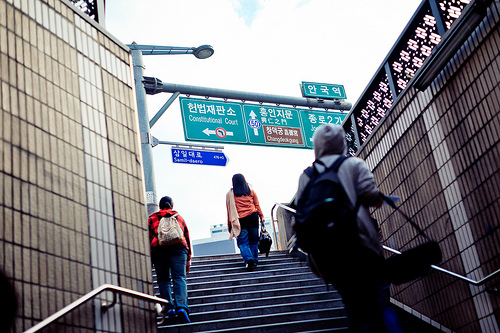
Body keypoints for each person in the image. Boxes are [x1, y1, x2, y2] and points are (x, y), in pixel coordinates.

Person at [294, 124, 388, 332]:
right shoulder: (353, 164)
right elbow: (370, 195)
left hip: (327, 256)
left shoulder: (307, 175)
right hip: (359, 245)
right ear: (342, 142)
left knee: (353, 305)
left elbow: (299, 214)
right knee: (370, 307)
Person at [148, 196, 192, 324]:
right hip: (179, 249)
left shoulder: (152, 218)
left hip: (159, 250)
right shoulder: (178, 217)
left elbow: (148, 238)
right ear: (171, 206)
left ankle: (169, 308)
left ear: (160, 206)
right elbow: (186, 237)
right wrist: (188, 259)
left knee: (163, 280)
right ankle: (182, 307)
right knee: (179, 277)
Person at [226, 174, 265, 271]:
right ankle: (254, 260)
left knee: (243, 242)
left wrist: (229, 224)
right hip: (253, 217)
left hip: (240, 220)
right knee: (254, 241)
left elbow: (229, 210)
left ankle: (249, 259)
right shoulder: (251, 192)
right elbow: (257, 205)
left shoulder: (231, 194)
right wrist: (261, 216)